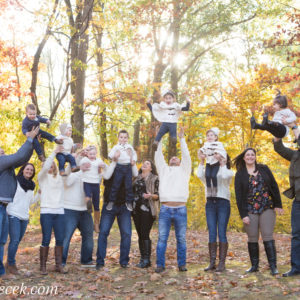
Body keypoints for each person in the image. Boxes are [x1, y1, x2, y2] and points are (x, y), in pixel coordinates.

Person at [234, 148, 283, 275]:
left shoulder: (264, 168)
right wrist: (243, 215)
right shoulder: (240, 174)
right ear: (244, 158)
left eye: (252, 154)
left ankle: (273, 266)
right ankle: (254, 266)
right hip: (250, 209)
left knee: (267, 235)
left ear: (255, 157)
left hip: (267, 207)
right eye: (247, 155)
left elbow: (274, 186)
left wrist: (278, 204)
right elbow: (239, 197)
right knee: (252, 237)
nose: (250, 157)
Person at [0, 126, 38, 279]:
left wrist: (33, 142)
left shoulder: (6, 167)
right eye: (0, 150)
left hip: (3, 207)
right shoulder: (1, 163)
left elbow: (22, 159)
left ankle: (3, 272)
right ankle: (2, 272)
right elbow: (17, 157)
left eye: (3, 150)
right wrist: (29, 138)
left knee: (2, 241)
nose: (2, 152)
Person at [154, 127, 191, 273]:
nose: (174, 158)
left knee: (181, 239)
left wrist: (182, 139)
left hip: (181, 209)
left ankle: (182, 265)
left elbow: (187, 157)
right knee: (162, 238)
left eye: (176, 157)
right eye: (172, 157)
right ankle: (160, 265)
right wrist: (160, 137)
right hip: (165, 209)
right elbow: (158, 156)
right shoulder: (164, 170)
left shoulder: (184, 170)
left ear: (180, 162)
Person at [96, 153, 138, 270]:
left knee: (127, 233)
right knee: (103, 232)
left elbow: (134, 176)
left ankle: (124, 261)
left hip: (124, 206)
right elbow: (106, 177)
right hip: (109, 205)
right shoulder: (110, 169)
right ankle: (100, 261)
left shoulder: (128, 170)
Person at [197, 153, 233, 272]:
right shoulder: (208, 172)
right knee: (212, 232)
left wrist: (222, 163)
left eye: (220, 156)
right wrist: (202, 161)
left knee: (221, 232)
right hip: (210, 203)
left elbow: (223, 177)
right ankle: (212, 262)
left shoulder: (227, 171)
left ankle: (221, 263)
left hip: (223, 203)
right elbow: (199, 174)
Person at [273, 135, 300, 277]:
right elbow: (281, 149)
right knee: (296, 235)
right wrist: (277, 137)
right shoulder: (295, 155)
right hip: (298, 202)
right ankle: (296, 267)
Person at [38, 145, 67, 275]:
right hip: (46, 212)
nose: (50, 167)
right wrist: (54, 152)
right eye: (48, 165)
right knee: (46, 238)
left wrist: (75, 157)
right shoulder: (42, 178)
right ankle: (43, 266)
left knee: (60, 238)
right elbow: (46, 165)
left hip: (59, 212)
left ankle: (58, 265)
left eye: (52, 165)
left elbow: (68, 170)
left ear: (55, 166)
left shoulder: (60, 178)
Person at [62, 152, 94, 268]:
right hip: (69, 209)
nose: (87, 166)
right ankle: (61, 262)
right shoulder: (72, 175)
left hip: (85, 210)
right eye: (84, 164)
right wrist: (78, 168)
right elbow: (66, 180)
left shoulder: (89, 177)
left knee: (88, 234)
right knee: (66, 236)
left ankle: (86, 260)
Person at [6, 163, 39, 275]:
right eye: (27, 169)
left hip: (24, 217)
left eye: (31, 170)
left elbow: (30, 201)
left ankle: (8, 264)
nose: (29, 171)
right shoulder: (15, 181)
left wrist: (39, 194)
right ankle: (11, 264)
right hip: (13, 214)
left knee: (17, 241)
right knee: (14, 240)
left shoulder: (32, 185)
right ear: (23, 170)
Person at [132, 160, 159, 268]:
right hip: (135, 210)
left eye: (147, 164)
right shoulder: (136, 177)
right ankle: (142, 258)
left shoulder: (155, 178)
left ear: (151, 168)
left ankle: (147, 259)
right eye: (143, 163)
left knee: (144, 233)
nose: (144, 164)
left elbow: (158, 195)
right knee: (140, 234)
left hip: (148, 209)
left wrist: (151, 195)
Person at [107, 130, 137, 211]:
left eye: (125, 137)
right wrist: (115, 156)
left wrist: (133, 160)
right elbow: (110, 155)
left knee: (128, 185)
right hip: (119, 167)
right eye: (121, 137)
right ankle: (111, 201)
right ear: (118, 138)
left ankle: (129, 202)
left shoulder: (130, 146)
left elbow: (134, 155)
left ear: (127, 138)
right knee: (116, 184)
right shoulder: (116, 147)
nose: (123, 139)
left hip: (128, 168)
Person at [80, 145, 107, 231]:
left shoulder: (98, 161)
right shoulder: (85, 160)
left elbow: (101, 171)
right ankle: (88, 204)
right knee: (88, 196)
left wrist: (101, 167)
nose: (92, 155)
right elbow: (80, 166)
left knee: (97, 204)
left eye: (94, 154)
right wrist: (84, 165)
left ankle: (96, 224)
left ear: (96, 154)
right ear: (87, 154)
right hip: (86, 181)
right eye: (90, 154)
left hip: (95, 183)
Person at [199, 128, 227, 197]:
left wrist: (218, 155)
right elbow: (202, 150)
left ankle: (215, 189)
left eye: (211, 135)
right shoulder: (206, 144)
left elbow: (222, 151)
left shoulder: (218, 144)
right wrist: (202, 154)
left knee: (214, 176)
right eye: (208, 136)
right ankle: (209, 190)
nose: (209, 137)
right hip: (208, 163)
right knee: (207, 175)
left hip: (216, 163)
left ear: (215, 137)